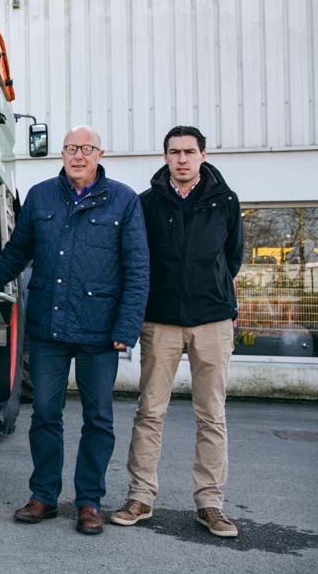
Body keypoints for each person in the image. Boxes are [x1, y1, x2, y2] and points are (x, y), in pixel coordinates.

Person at [0, 125, 149, 535]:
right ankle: (43, 496)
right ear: (62, 152)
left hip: (100, 331)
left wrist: (127, 326)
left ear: (100, 153)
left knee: (99, 418)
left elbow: (138, 269)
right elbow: (16, 253)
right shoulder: (41, 196)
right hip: (47, 331)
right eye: (72, 148)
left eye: (86, 149)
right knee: (45, 416)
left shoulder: (123, 200)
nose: (78, 155)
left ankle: (89, 501)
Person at [111, 126, 243, 538]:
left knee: (212, 415)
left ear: (203, 155)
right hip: (161, 321)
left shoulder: (225, 201)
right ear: (165, 156)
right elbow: (136, 260)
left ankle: (210, 502)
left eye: (189, 151)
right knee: (150, 412)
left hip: (213, 322)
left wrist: (215, 293)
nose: (181, 159)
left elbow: (232, 258)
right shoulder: (146, 203)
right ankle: (141, 496)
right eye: (174, 152)